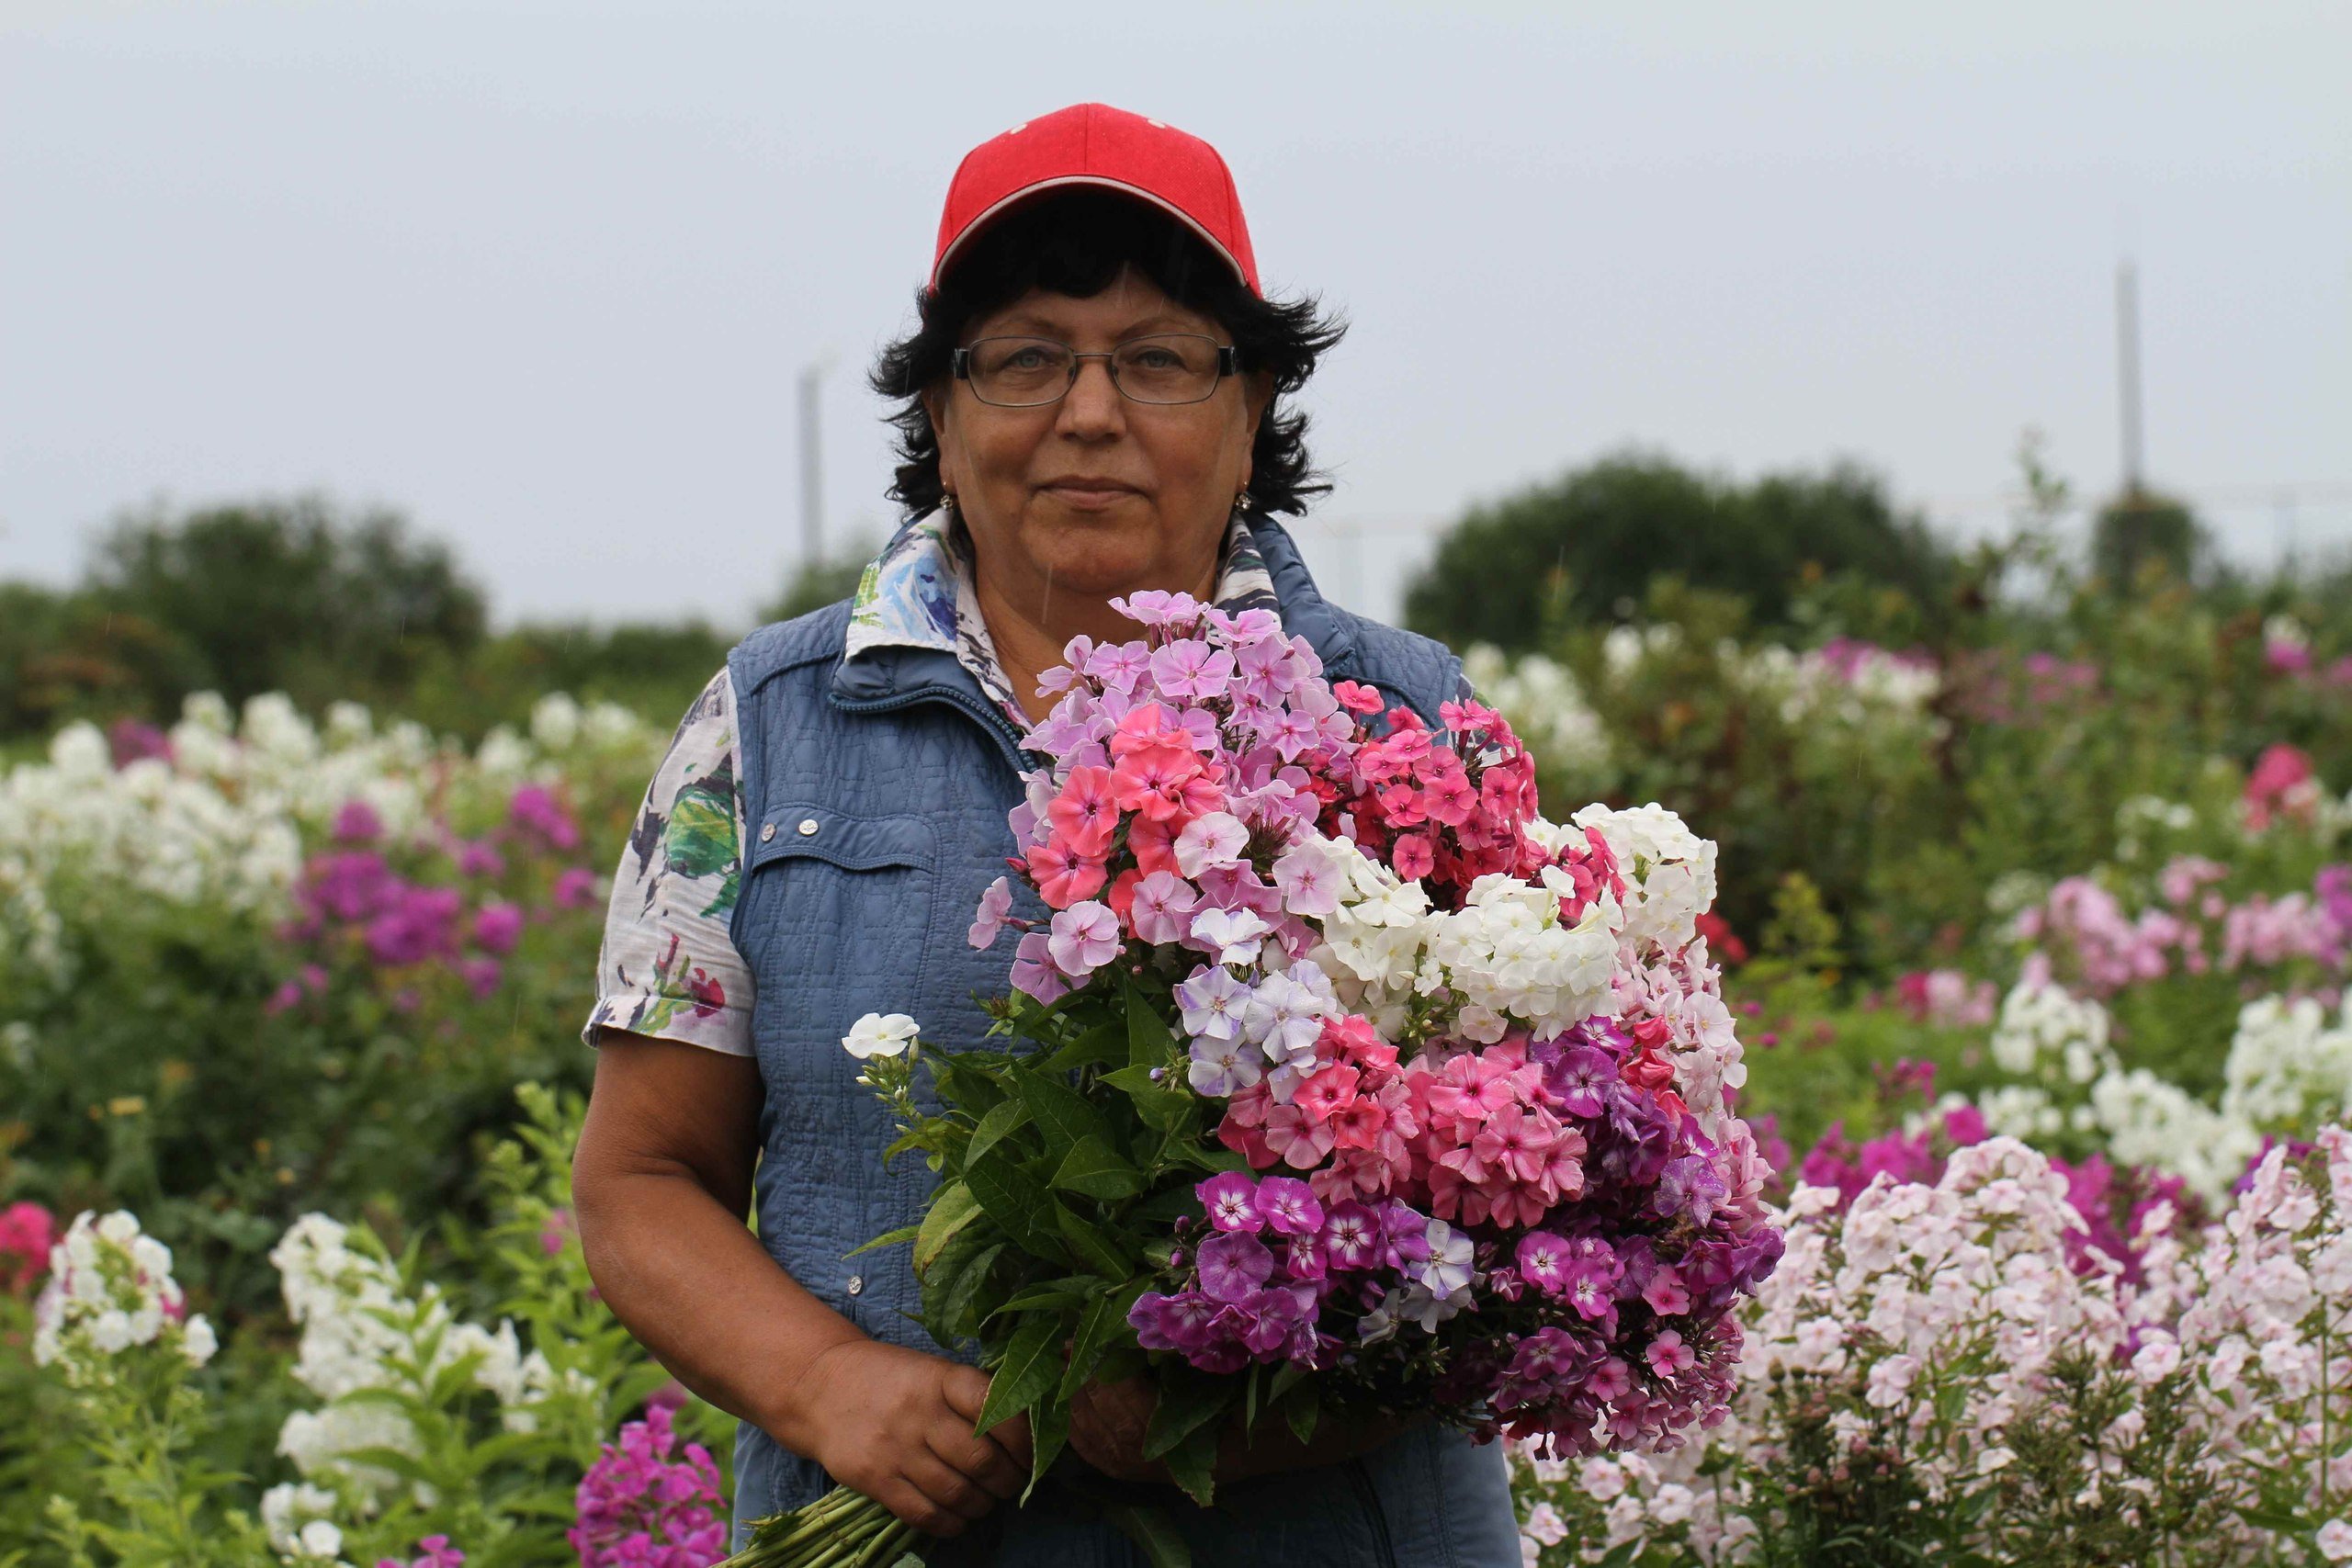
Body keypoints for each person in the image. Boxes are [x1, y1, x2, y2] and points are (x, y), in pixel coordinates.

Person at [571, 101, 1521, 1565]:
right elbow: (640, 1183)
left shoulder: (1404, 724)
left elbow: (1529, 1201)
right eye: (1024, 359)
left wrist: (1224, 1408)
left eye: (1158, 359)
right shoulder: (766, 726)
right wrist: (831, 1387)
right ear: (940, 416)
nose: (1090, 413)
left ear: (1253, 404)